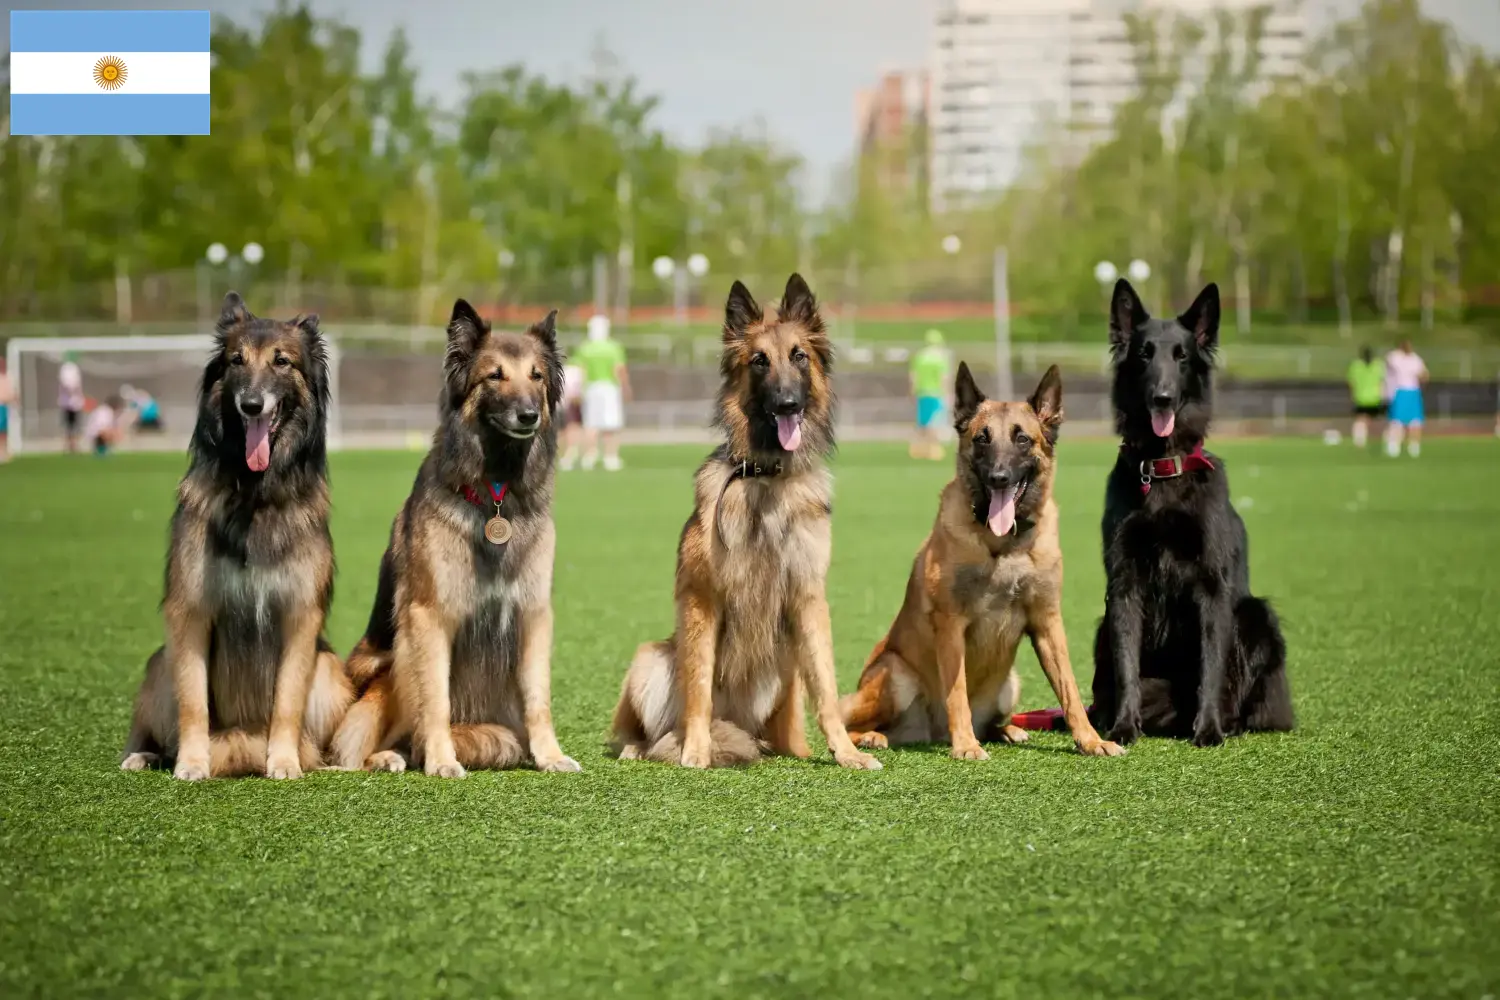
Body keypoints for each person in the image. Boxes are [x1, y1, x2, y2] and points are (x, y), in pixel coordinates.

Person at [573, 313, 630, 471]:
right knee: (610, 424)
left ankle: (589, 456)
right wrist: (626, 388)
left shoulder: (585, 347)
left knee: (591, 424)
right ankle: (610, 456)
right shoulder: (613, 347)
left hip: (591, 388)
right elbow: (619, 369)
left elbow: (580, 371)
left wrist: (578, 390)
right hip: (609, 388)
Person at [909, 329, 950, 460]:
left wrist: (913, 391)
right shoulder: (940, 358)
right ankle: (933, 449)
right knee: (935, 421)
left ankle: (917, 448)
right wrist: (948, 393)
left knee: (922, 421)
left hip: (922, 393)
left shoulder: (920, 357)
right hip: (936, 393)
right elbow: (944, 377)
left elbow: (913, 376)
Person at [1384, 339, 1428, 458]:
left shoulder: (1413, 359)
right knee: (1399, 421)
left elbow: (1424, 375)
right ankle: (1397, 446)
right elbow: (1424, 375)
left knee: (1413, 421)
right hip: (1404, 391)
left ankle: (1410, 446)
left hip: (1408, 391)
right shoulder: (1402, 357)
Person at [1346, 346, 1385, 448]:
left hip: (1361, 397)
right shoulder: (1378, 365)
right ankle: (1374, 441)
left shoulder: (1356, 365)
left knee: (1360, 419)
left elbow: (1351, 381)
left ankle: (1360, 441)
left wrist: (1352, 393)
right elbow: (1382, 381)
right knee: (1371, 420)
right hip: (1374, 397)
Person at [557, 360, 585, 471]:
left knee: (560, 432)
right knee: (571, 429)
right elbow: (575, 392)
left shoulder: (561, 370)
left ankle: (563, 456)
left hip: (558, 404)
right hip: (568, 404)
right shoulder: (576, 371)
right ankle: (568, 456)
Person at [58, 351, 85, 453]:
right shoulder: (66, 368)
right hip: (67, 403)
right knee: (68, 425)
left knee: (75, 425)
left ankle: (74, 444)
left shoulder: (75, 369)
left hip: (75, 403)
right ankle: (68, 445)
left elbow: (76, 385)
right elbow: (66, 384)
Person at [0, 357, 14, 463]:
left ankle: (3, 452)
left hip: (4, 406)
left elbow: (10, 392)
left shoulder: (7, 378)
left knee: (4, 430)